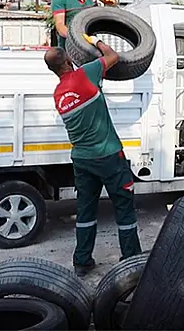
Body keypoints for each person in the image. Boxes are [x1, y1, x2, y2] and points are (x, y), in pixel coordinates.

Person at [45, 34, 142, 277]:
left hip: (82, 160)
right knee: (124, 209)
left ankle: (82, 261)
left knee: (86, 212)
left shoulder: (58, 94)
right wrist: (96, 40)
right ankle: (132, 261)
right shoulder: (85, 74)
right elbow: (113, 56)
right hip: (109, 156)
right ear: (68, 61)